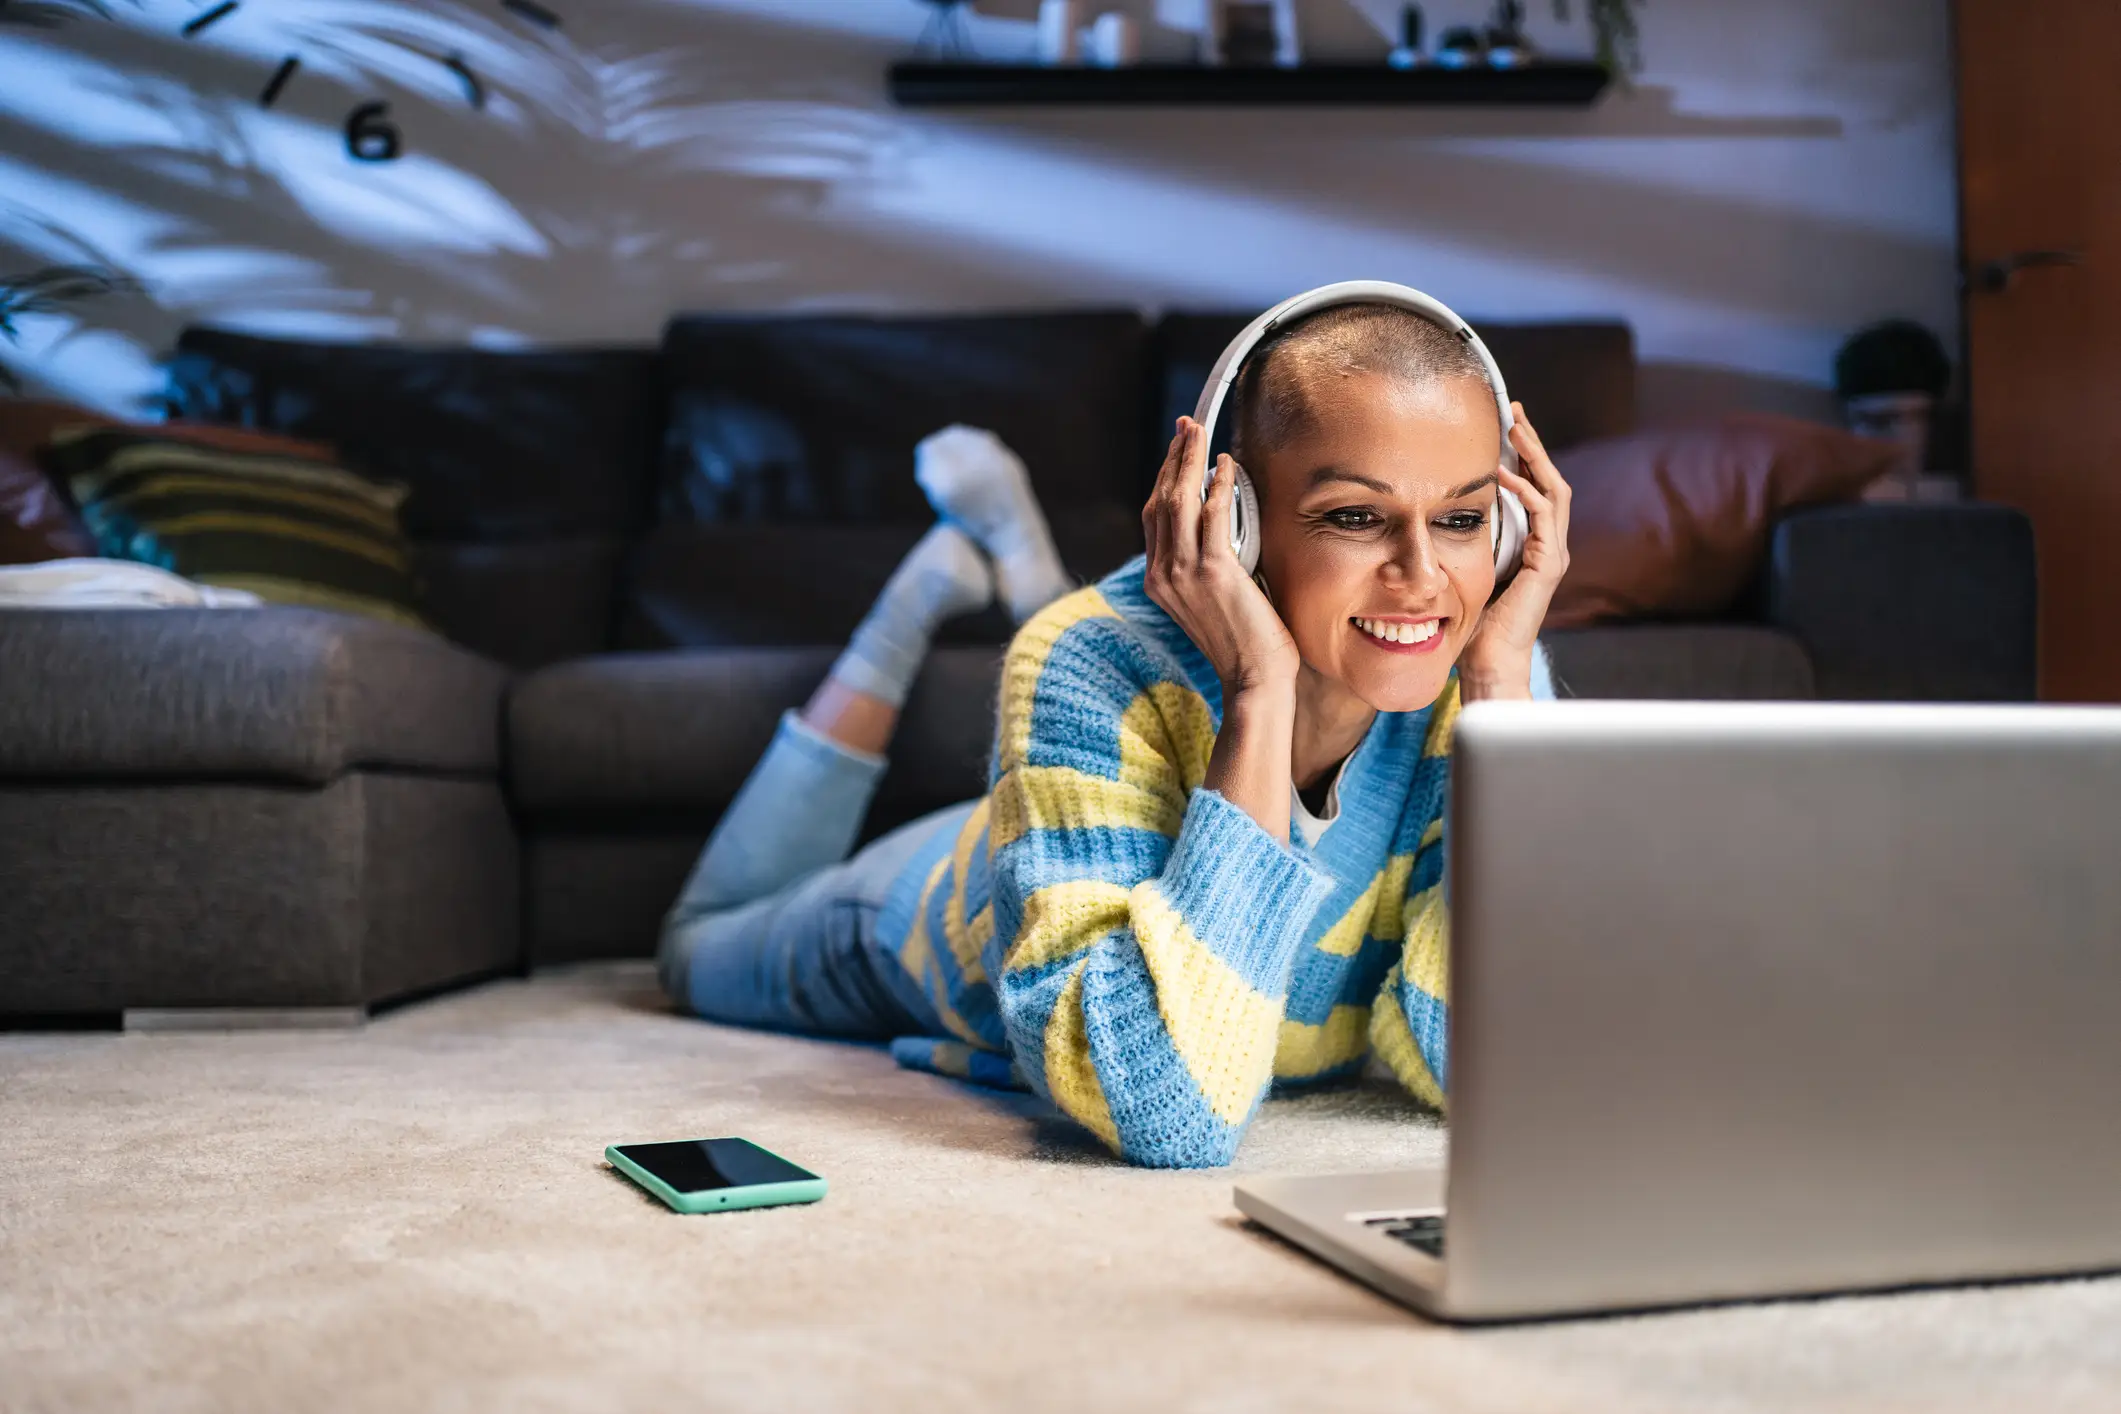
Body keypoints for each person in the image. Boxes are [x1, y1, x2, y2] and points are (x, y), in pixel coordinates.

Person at [658, 301, 1571, 1168]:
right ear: (1235, 524)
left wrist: (1495, 697)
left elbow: (1494, 1056)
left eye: (1461, 519)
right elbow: (1162, 1108)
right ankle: (916, 599)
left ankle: (1013, 574)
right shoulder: (1079, 660)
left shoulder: (1494, 680)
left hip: (1093, 806)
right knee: (693, 950)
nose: (1422, 576)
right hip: (935, 911)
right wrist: (1259, 690)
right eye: (1354, 517)